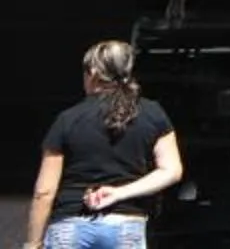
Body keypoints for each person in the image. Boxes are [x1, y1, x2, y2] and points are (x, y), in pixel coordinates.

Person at [27, 40, 181, 249]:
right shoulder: (153, 114)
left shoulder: (67, 119)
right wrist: (119, 193)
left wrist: (33, 243)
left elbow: (44, 192)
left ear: (92, 73)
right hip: (126, 224)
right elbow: (171, 171)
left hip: (70, 223)